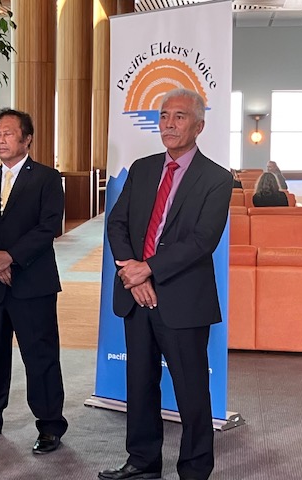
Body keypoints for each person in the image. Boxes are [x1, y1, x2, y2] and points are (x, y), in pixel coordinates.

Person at [101, 89, 231, 480]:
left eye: (179, 116)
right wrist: (132, 271)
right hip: (135, 295)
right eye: (163, 116)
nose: (169, 124)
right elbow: (117, 223)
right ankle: (142, 462)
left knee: (192, 392)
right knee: (139, 385)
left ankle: (194, 470)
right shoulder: (141, 168)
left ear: (199, 125)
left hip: (183, 300)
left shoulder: (217, 179)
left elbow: (201, 241)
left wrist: (148, 269)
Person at [0, 108, 68, 454]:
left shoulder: (47, 179)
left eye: (8, 133)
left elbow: (48, 226)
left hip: (32, 283)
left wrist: (11, 257)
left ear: (27, 139)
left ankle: (50, 425)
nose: (0, 140)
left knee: (41, 356)